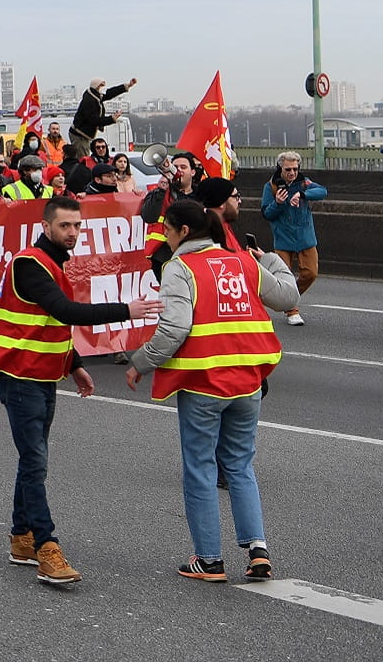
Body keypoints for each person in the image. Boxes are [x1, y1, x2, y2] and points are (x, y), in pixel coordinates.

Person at [0, 196, 162, 584]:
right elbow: (64, 312)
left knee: (33, 459)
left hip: (42, 374)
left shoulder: (52, 262)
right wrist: (126, 310)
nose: (73, 232)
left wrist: (74, 365)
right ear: (46, 227)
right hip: (20, 375)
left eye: (77, 226)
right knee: (35, 461)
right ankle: (47, 546)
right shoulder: (30, 264)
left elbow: (48, 323)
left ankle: (22, 538)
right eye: (65, 226)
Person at [121, 198, 295, 581]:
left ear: (184, 231)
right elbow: (288, 297)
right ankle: (258, 550)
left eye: (167, 230)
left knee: (200, 468)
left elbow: (174, 329)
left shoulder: (179, 267)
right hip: (248, 382)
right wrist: (269, 258)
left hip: (203, 383)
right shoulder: (242, 261)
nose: (164, 237)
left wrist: (140, 362)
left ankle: (209, 559)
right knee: (240, 466)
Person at [260, 152, 324, 326]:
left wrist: (302, 195)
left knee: (311, 273)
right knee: (284, 274)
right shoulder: (271, 186)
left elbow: (322, 191)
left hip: (305, 237)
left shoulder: (304, 182)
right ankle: (292, 310)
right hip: (283, 238)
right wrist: (278, 203)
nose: (292, 173)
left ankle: (288, 297)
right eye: (288, 169)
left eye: (295, 169)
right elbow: (266, 213)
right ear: (280, 168)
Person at [68, 79, 135, 159]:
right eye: (101, 86)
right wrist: (111, 119)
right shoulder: (89, 101)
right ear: (96, 86)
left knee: (85, 157)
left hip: (83, 135)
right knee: (83, 159)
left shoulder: (94, 95)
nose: (103, 88)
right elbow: (94, 120)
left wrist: (126, 86)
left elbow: (109, 93)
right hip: (79, 135)